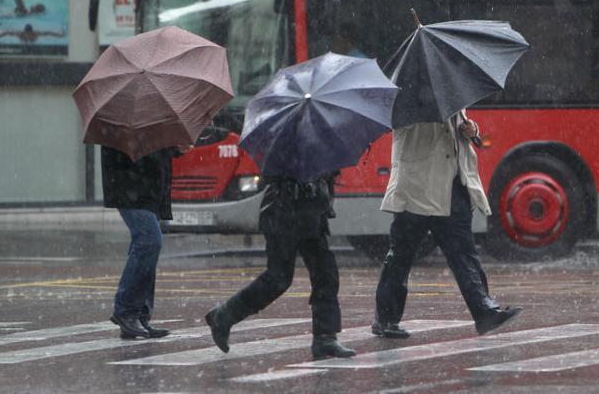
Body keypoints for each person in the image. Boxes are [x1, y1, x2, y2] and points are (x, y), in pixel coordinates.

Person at [372, 111, 522, 339]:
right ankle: (386, 319)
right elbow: (401, 131)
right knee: (401, 255)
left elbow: (456, 132)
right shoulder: (404, 99)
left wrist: (472, 130)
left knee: (464, 253)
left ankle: (485, 311)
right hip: (418, 187)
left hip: (452, 188)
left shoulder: (448, 89)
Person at [205, 172, 356, 359]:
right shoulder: (286, 148)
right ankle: (224, 315)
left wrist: (327, 174)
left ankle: (325, 337)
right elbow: (272, 174)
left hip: (312, 213)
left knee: (326, 274)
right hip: (282, 213)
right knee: (279, 278)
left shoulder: (320, 149)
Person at [102, 145, 189, 339]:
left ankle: (139, 316)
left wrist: (177, 148)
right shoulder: (123, 120)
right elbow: (131, 152)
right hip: (131, 190)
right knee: (149, 242)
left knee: (145, 247)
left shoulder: (150, 119)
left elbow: (156, 147)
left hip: (149, 190)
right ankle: (126, 311)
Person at [0, 24, 65, 44]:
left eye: (28, 33)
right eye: (26, 33)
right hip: (23, 42)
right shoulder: (20, 34)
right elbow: (6, 33)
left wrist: (60, 36)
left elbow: (49, 33)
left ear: (31, 32)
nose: (27, 35)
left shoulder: (36, 33)